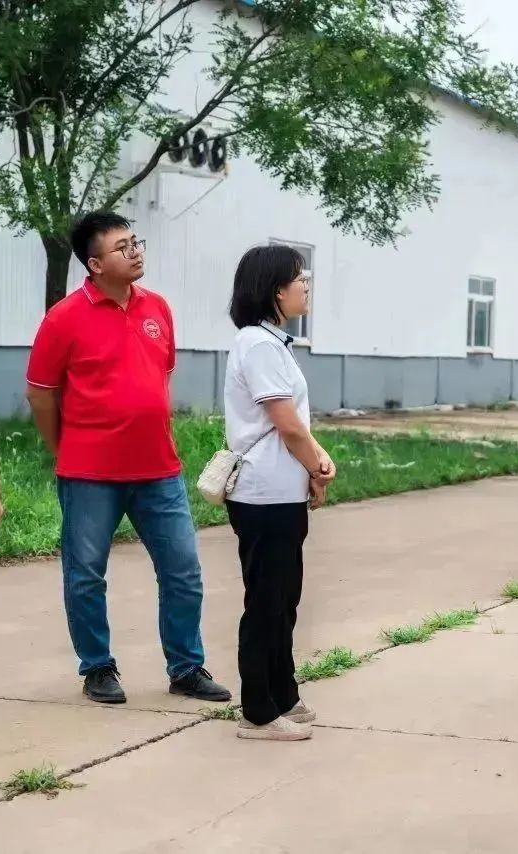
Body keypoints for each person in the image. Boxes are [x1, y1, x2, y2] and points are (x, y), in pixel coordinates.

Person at [26, 212, 229, 706]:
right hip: (90, 473)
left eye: (135, 242)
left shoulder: (157, 307)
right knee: (85, 574)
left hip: (158, 469)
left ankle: (186, 667)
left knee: (183, 570)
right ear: (94, 264)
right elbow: (40, 394)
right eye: (122, 247)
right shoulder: (63, 318)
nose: (135, 251)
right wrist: (65, 449)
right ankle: (97, 667)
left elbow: (161, 377)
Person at [223, 246, 336, 742]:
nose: (305, 285)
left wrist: (318, 463)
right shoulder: (258, 345)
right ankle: (258, 711)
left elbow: (295, 426)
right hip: (263, 494)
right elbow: (287, 426)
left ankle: (283, 693)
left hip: (281, 492)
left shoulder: (272, 342)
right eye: (298, 278)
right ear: (275, 291)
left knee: (284, 598)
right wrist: (315, 465)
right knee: (267, 601)